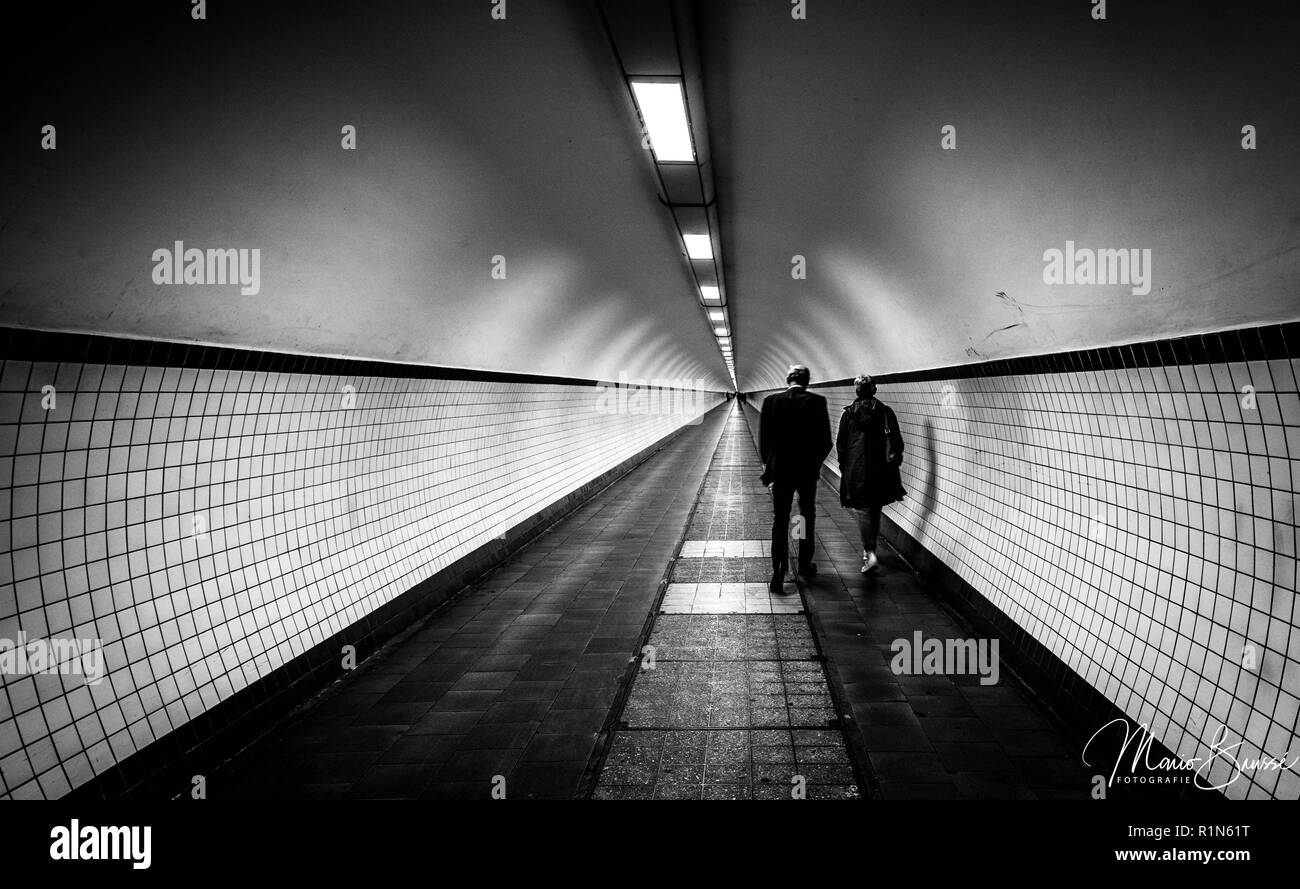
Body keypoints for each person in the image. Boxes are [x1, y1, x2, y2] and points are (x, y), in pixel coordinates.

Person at [760, 364, 832, 593]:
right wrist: (814, 465)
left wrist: (769, 468)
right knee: (803, 515)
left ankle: (779, 572)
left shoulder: (772, 401)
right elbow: (825, 441)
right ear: (807, 381)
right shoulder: (817, 402)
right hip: (805, 473)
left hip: (780, 472)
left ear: (787, 379)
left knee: (780, 519)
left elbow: (765, 441)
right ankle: (803, 564)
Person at [836, 374, 906, 573]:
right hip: (881, 469)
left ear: (857, 391)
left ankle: (870, 552)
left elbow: (841, 444)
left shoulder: (848, 415)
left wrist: (844, 466)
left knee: (864, 510)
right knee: (874, 508)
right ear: (875, 390)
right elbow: (897, 441)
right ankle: (870, 549)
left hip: (857, 469)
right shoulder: (885, 412)